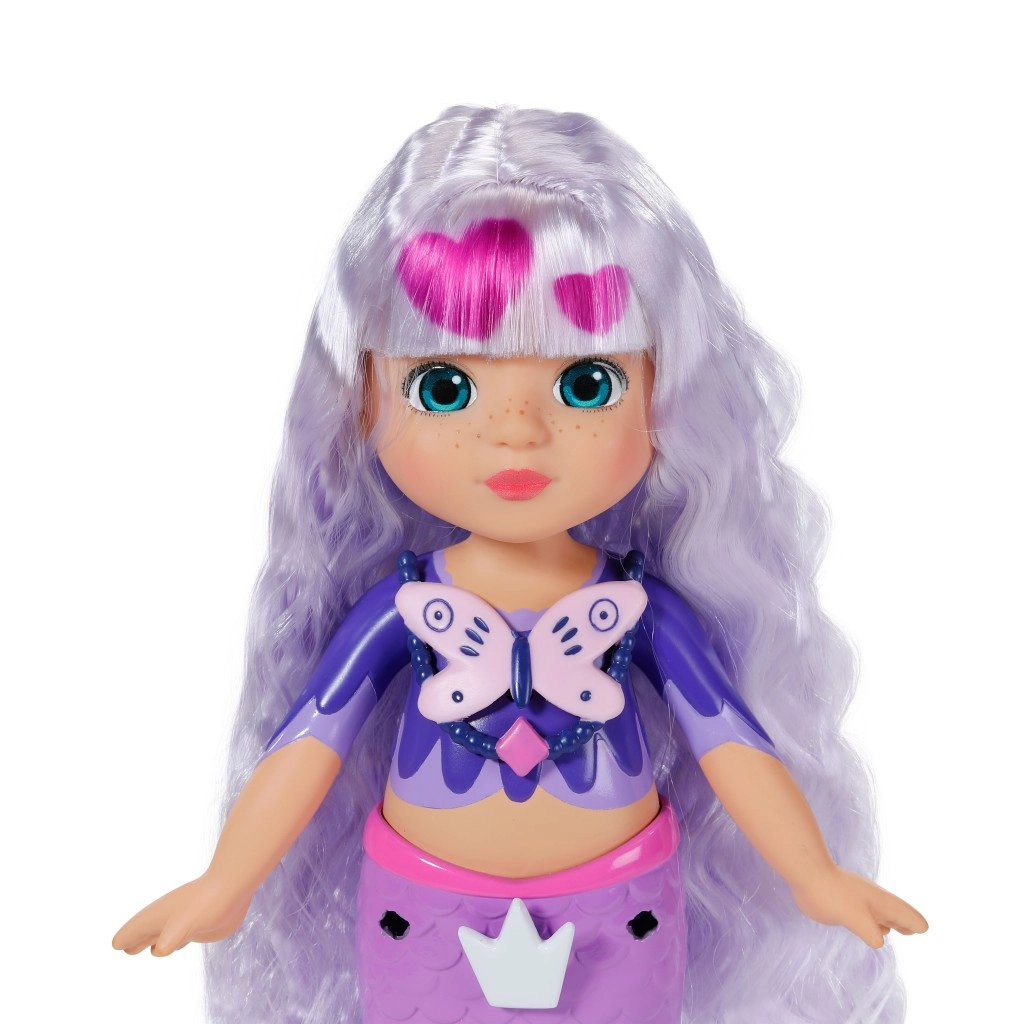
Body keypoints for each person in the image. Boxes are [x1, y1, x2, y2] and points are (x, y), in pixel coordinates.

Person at [113, 106, 927, 1024]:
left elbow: (730, 740)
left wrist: (813, 875)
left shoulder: (638, 609)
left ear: (668, 394)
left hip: (620, 911)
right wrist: (228, 881)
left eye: (586, 383)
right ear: (365, 398)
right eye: (445, 386)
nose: (516, 431)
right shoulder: (405, 608)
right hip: (423, 913)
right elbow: (311, 738)